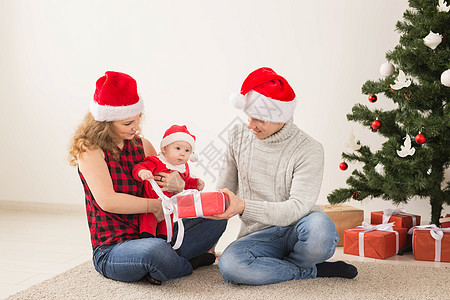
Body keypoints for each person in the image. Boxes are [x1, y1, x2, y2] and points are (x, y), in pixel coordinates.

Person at [68, 71, 226, 285]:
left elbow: (166, 191)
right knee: (154, 252)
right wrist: (155, 206)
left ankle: (165, 265)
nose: (136, 127)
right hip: (115, 246)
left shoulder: (143, 146)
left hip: (157, 233)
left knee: (218, 214)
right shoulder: (90, 150)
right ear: (105, 122)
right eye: (127, 123)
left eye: (137, 119)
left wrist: (179, 186)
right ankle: (188, 263)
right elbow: (108, 201)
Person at [209, 67, 358, 285]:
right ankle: (308, 270)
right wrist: (209, 235)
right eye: (249, 116)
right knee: (231, 266)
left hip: (299, 226)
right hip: (257, 234)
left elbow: (297, 208)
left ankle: (284, 264)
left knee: (320, 232)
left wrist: (243, 206)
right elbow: (224, 192)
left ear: (281, 117)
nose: (250, 125)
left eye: (259, 119)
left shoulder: (309, 149)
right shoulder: (238, 136)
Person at [132, 124, 205, 239]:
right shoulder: (156, 161)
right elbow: (139, 167)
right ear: (164, 149)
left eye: (187, 151)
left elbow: (186, 182)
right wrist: (142, 172)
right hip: (151, 202)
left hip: (168, 205)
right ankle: (147, 238)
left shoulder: (183, 167)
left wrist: (195, 183)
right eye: (178, 148)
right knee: (148, 223)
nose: (182, 153)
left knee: (166, 226)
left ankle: (166, 240)